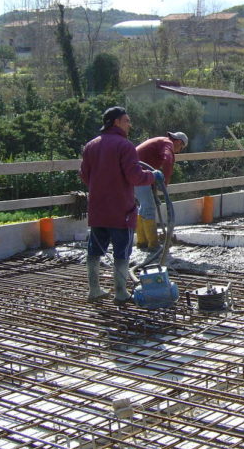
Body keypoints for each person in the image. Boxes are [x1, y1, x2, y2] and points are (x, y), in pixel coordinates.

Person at [80, 106, 164, 304]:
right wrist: (153, 176)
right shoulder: (124, 146)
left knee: (94, 250)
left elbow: (84, 175)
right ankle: (120, 292)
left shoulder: (91, 145)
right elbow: (135, 176)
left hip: (98, 209)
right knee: (122, 250)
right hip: (121, 210)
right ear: (116, 122)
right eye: (127, 120)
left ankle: (94, 290)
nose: (129, 124)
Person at [134, 131, 188, 250]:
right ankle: (153, 245)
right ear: (178, 141)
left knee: (144, 206)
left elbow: (151, 165)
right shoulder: (168, 144)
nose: (178, 151)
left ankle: (142, 242)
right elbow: (168, 161)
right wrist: (165, 183)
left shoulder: (161, 142)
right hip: (138, 173)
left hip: (136, 172)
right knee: (149, 207)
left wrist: (155, 185)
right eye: (181, 147)